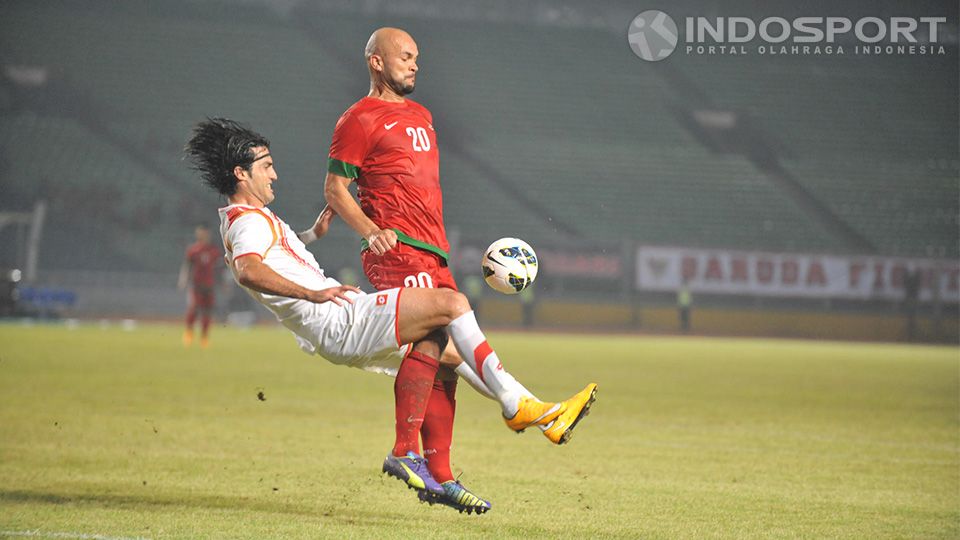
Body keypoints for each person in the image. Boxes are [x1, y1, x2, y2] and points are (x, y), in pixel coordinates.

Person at [184, 118, 597, 514]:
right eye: (267, 166)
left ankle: (535, 420)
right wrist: (313, 291)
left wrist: (312, 236)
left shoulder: (252, 220)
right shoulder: (245, 223)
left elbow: (270, 254)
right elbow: (248, 269)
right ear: (241, 173)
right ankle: (476, 422)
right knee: (451, 304)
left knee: (448, 353)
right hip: (338, 318)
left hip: (334, 326)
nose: (274, 175)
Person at [323, 28, 575, 500]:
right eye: (404, 56)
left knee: (441, 358)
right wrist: (370, 230)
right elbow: (335, 189)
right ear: (376, 62)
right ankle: (522, 407)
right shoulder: (358, 119)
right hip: (396, 249)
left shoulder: (422, 115)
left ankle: (441, 477)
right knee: (446, 331)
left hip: (432, 249)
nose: (415, 64)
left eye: (417, 57)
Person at [178, 224, 220, 348]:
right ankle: (189, 333)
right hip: (196, 285)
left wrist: (223, 283)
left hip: (210, 286)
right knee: (194, 309)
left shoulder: (214, 251)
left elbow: (219, 269)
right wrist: (183, 279)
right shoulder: (193, 250)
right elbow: (187, 266)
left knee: (207, 311)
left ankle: (204, 337)